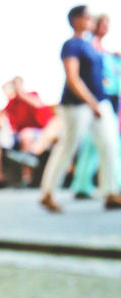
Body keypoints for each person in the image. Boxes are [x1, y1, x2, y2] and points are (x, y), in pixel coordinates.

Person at [39, 5, 121, 212]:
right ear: (76, 19)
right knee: (68, 145)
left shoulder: (90, 45)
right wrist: (91, 102)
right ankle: (48, 192)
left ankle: (111, 191)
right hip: (79, 105)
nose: (91, 20)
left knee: (110, 145)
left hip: (99, 103)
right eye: (87, 16)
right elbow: (72, 78)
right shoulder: (71, 45)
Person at [71, 14, 121, 198]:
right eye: (103, 23)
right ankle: (111, 188)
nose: (106, 27)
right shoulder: (88, 45)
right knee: (108, 144)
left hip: (108, 98)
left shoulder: (102, 49)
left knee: (97, 144)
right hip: (98, 99)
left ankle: (83, 185)